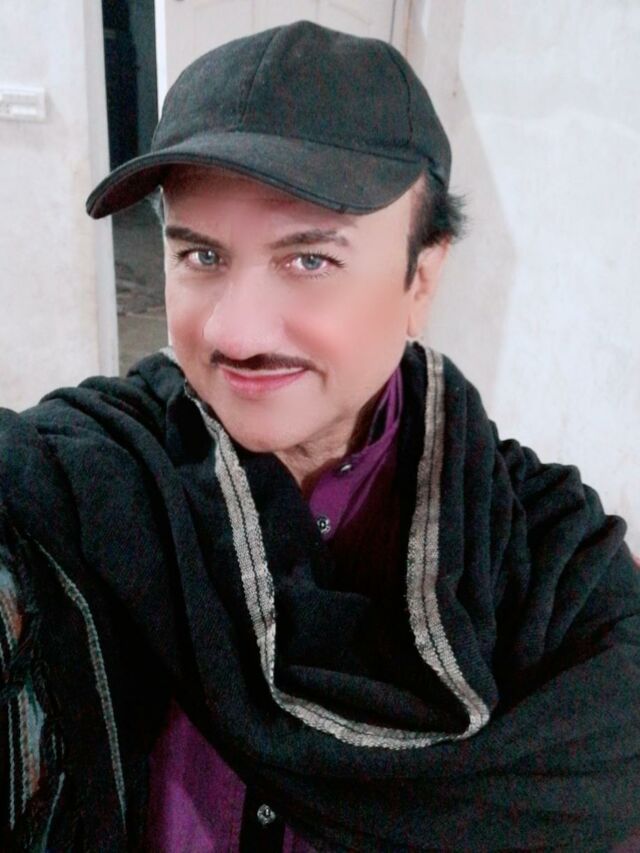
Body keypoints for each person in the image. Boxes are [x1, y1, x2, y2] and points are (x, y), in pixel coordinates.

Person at [1, 19, 639, 852]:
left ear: (421, 276)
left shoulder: (548, 559)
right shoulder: (89, 474)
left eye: (309, 260)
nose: (234, 333)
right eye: (201, 257)